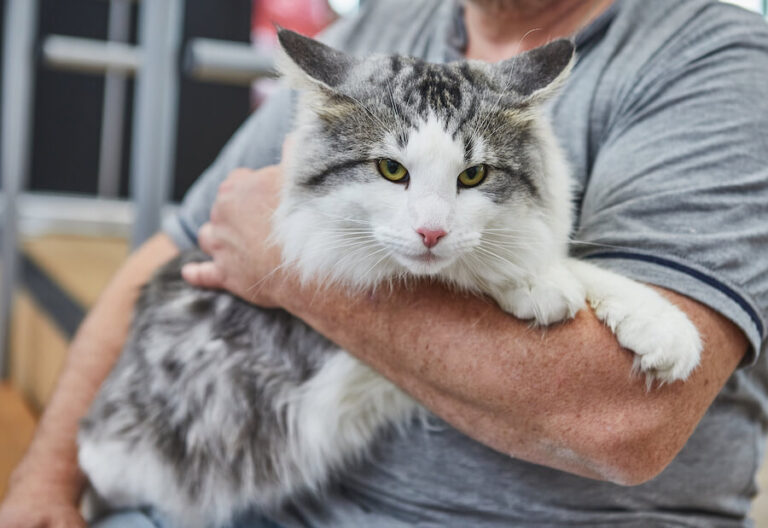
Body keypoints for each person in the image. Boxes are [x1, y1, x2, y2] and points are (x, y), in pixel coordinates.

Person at [2, 0, 768, 526]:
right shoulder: (391, 25)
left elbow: (624, 420)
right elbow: (178, 246)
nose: (431, 231)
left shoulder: (713, 62)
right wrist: (43, 480)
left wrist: (289, 269)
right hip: (234, 495)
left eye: (470, 179)